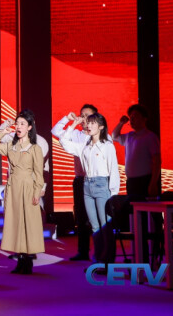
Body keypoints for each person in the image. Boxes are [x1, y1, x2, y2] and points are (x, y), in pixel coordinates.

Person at [59, 112, 120, 269]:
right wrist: (73, 124)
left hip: (102, 185)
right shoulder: (84, 146)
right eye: (88, 123)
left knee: (105, 225)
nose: (89, 125)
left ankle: (107, 262)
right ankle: (98, 260)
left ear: (101, 127)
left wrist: (113, 194)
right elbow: (63, 141)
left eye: (93, 123)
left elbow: (114, 170)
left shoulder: (107, 146)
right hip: (87, 185)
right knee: (94, 226)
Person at [0, 109, 45, 274]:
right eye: (17, 123)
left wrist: (37, 192)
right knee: (15, 222)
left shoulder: (35, 148)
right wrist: (3, 131)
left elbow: (39, 174)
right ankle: (20, 258)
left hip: (28, 187)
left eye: (22, 124)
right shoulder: (11, 146)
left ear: (29, 127)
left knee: (28, 223)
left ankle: (28, 259)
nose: (18, 127)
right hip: (12, 187)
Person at [112, 103, 162, 263]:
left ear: (144, 119)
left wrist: (153, 183)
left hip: (146, 181)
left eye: (136, 117)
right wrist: (121, 122)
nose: (132, 120)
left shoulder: (150, 137)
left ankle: (157, 253)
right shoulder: (129, 136)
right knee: (137, 219)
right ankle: (141, 255)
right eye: (131, 118)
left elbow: (157, 161)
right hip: (132, 183)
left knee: (153, 219)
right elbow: (114, 136)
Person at [50, 104, 98, 261]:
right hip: (80, 180)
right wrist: (68, 119)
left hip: (95, 180)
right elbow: (55, 131)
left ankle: (100, 252)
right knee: (81, 217)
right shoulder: (76, 134)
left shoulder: (99, 136)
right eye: (82, 115)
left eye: (88, 116)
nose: (84, 119)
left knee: (96, 217)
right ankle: (83, 251)